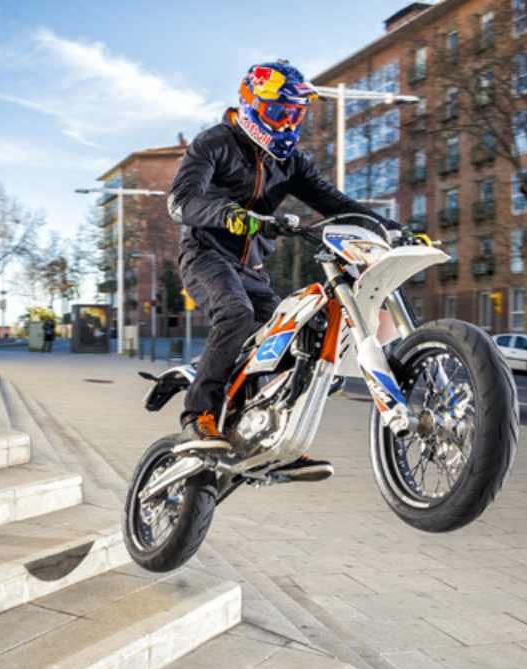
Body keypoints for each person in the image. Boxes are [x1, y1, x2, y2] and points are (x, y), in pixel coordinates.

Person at [168, 61, 400, 456]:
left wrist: (391, 229)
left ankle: (262, 433)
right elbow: (182, 200)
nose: (288, 122)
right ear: (252, 105)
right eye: (279, 111)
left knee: (287, 343)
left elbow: (336, 203)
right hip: (205, 256)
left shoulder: (291, 162)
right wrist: (234, 217)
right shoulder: (214, 143)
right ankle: (198, 414)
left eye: (296, 113)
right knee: (236, 315)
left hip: (252, 270)